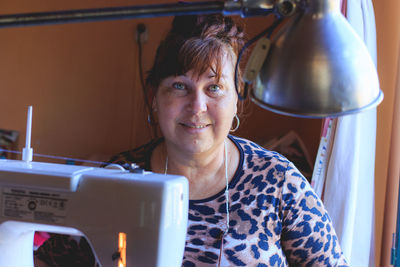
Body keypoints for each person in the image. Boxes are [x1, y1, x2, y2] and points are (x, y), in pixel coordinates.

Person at [35, 14, 349, 267]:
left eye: (214, 88)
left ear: (236, 99)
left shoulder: (279, 182)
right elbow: (46, 260)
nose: (197, 107)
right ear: (154, 98)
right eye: (179, 86)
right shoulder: (113, 180)